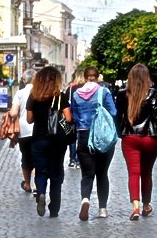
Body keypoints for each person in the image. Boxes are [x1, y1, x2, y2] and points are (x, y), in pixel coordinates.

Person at [116, 63, 157, 221]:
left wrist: (122, 133)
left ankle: (135, 207)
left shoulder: (122, 94)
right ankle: (146, 205)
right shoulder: (154, 93)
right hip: (150, 138)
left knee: (133, 173)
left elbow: (118, 116)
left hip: (130, 138)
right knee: (146, 173)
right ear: (147, 77)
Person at [69, 66, 118, 221]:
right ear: (98, 77)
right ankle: (102, 209)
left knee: (87, 174)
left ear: (84, 78)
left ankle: (85, 200)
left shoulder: (76, 93)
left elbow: (74, 117)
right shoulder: (104, 92)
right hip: (101, 136)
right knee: (102, 174)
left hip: (83, 136)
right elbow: (114, 112)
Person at [25, 66, 72, 218]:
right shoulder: (61, 97)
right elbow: (69, 118)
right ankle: (54, 208)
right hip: (57, 140)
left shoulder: (33, 96)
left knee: (40, 171)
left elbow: (29, 119)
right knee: (56, 172)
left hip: (38, 139)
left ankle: (41, 194)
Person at [9, 69, 36, 195]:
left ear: (24, 80)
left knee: (26, 157)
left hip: (24, 130)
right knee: (38, 156)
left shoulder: (19, 93)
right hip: (38, 130)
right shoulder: (39, 92)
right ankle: (37, 184)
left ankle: (27, 184)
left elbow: (13, 113)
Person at [64, 72, 85, 169]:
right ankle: (79, 159)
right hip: (82, 115)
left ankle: (72, 159)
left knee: (72, 138)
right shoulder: (86, 89)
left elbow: (66, 102)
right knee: (81, 137)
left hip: (72, 115)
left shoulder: (71, 88)